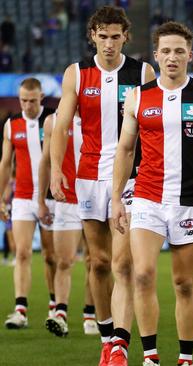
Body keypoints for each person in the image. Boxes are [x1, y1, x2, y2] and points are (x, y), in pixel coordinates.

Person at [111, 21, 193, 366]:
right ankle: (150, 356)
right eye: (165, 51)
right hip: (148, 198)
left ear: (189, 55)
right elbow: (124, 150)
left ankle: (184, 358)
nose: (172, 56)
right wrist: (117, 198)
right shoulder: (139, 96)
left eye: (179, 51)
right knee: (142, 273)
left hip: (190, 203)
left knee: (184, 282)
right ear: (156, 55)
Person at [50, 6, 155, 365]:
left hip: (131, 177)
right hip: (88, 175)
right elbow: (62, 124)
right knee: (98, 262)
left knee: (123, 264)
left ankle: (120, 346)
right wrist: (54, 170)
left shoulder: (142, 72)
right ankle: (107, 337)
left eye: (115, 36)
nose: (109, 43)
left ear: (126, 36)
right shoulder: (77, 74)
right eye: (103, 36)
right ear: (92, 35)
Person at [0, 78, 57, 329]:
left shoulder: (54, 120)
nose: (27, 105)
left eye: (32, 100)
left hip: (51, 198)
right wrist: (2, 194)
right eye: (23, 100)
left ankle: (56, 307)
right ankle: (20, 310)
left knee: (51, 256)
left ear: (41, 97)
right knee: (22, 252)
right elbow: (5, 163)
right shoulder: (12, 126)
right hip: (22, 196)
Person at [39, 111, 84, 337]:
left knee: (100, 262)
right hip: (66, 201)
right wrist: (41, 201)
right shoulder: (53, 121)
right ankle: (61, 314)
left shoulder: (102, 112)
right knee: (63, 261)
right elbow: (46, 162)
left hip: (96, 198)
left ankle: (92, 314)